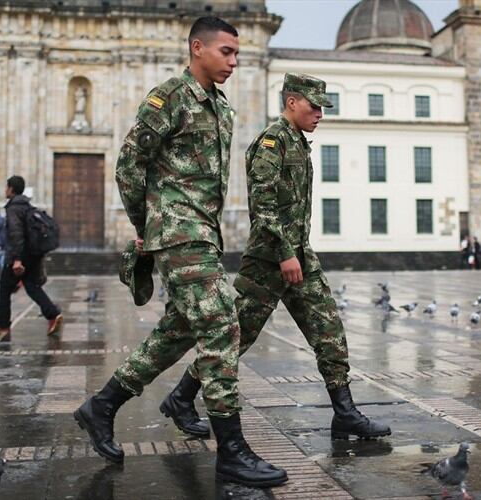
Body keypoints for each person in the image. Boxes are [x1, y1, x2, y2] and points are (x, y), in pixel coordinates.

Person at [72, 17, 287, 488]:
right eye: (226, 52)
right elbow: (130, 163)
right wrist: (145, 225)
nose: (234, 61)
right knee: (221, 324)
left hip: (202, 234)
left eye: (237, 53)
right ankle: (231, 450)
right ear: (198, 48)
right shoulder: (170, 96)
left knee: (177, 331)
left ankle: (101, 405)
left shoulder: (220, 108)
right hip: (177, 232)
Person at [159, 73, 391, 446]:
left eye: (322, 108)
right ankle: (181, 397)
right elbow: (263, 207)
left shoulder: (299, 142)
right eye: (314, 107)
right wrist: (284, 253)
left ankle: (345, 414)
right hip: (269, 261)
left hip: (300, 255)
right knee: (237, 337)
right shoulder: (271, 143)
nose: (320, 114)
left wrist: (296, 253)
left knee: (328, 331)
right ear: (292, 102)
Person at [0, 176, 63, 336]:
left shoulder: (13, 208)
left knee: (4, 288)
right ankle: (53, 314)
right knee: (32, 286)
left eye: (6, 187)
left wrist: (16, 259)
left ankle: (3, 325)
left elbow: (16, 234)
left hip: (19, 256)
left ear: (11, 189)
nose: (5, 190)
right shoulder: (27, 206)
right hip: (32, 254)